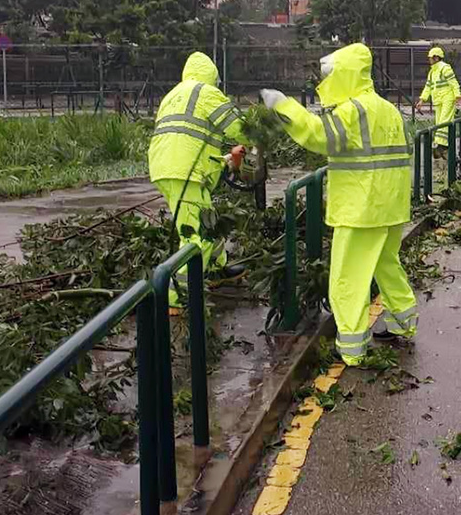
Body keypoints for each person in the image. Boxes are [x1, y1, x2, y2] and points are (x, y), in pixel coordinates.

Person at [261, 44, 416, 366]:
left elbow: (319, 135)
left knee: (348, 279)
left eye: (330, 74)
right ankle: (404, 322)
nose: (325, 81)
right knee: (387, 265)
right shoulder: (388, 109)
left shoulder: (353, 110)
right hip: (392, 206)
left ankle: (352, 350)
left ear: (345, 74)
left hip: (361, 209)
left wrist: (284, 106)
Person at [148, 52, 247, 305]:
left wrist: (227, 160)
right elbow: (239, 128)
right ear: (212, 76)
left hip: (167, 168)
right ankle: (176, 297)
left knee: (209, 221)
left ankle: (215, 270)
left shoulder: (174, 94)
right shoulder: (206, 92)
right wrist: (261, 131)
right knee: (198, 236)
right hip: (185, 172)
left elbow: (191, 143)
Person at [416, 46, 461, 157]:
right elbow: (428, 87)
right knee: (439, 124)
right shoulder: (432, 72)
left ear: (436, 58)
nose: (429, 60)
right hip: (438, 100)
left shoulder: (445, 68)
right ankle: (443, 146)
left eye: (430, 58)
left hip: (447, 99)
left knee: (444, 122)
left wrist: (457, 96)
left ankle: (440, 145)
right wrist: (422, 100)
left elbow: (453, 83)